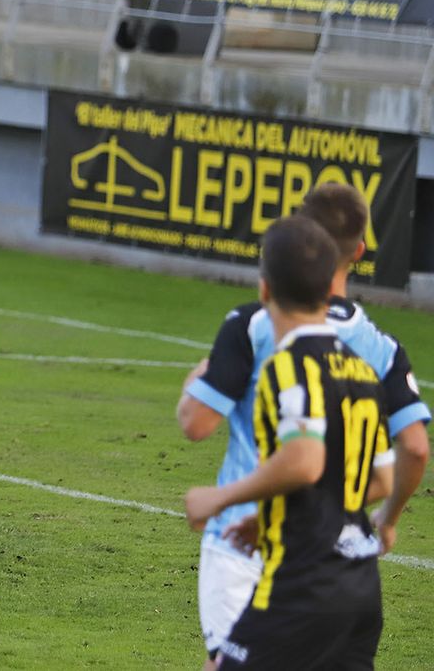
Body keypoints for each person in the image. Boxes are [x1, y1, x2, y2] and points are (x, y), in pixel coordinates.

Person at [176, 182, 429, 667]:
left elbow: (202, 424)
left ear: (266, 286)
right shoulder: (371, 354)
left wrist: (223, 498)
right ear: (357, 251)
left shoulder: (266, 338)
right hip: (346, 562)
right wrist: (388, 520)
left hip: (257, 555)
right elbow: (404, 457)